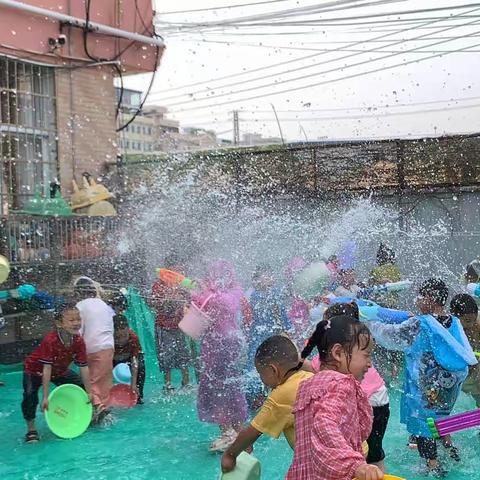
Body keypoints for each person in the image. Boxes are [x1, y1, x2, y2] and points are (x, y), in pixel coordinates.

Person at [365, 278, 477, 477]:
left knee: (423, 423)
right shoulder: (454, 322)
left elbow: (392, 337)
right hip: (447, 387)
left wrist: (370, 323)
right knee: (439, 417)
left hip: (426, 387)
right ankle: (451, 449)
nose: (417, 300)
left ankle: (433, 466)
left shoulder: (421, 323)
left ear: (431, 298)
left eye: (420, 296)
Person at [286, 315, 382, 480]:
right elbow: (324, 424)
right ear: (338, 353)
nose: (370, 364)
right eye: (366, 355)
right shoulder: (341, 384)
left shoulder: (307, 386)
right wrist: (355, 465)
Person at [305, 302, 390, 473]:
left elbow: (318, 371)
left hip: (368, 402)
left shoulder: (337, 364)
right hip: (381, 398)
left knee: (358, 452)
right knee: (374, 451)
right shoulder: (358, 346)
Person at [221, 335, 312, 473]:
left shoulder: (281, 395)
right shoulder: (310, 377)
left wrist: (231, 455)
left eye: (261, 373)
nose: (261, 379)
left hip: (315, 465)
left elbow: (252, 432)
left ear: (273, 370)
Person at [193, 260, 247, 452]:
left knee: (223, 387)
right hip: (223, 347)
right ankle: (233, 431)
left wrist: (201, 291)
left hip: (222, 348)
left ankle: (231, 432)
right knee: (225, 387)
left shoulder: (223, 295)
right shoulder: (228, 293)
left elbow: (218, 304)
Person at [22, 301, 92, 443]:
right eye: (71, 320)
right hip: (34, 370)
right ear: (59, 323)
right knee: (30, 395)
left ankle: (88, 414)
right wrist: (46, 397)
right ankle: (31, 429)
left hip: (59, 370)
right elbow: (46, 368)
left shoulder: (78, 341)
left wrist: (89, 392)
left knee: (81, 386)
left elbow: (84, 367)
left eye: (78, 319)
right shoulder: (51, 340)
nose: (76, 323)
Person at [243, 264, 291, 408]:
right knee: (261, 365)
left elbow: (280, 314)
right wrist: (286, 330)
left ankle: (259, 398)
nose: (271, 278)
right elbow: (279, 315)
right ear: (257, 280)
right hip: (261, 336)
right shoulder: (258, 295)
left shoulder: (258, 294)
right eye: (267, 275)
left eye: (271, 275)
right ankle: (259, 398)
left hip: (264, 335)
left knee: (259, 366)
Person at [74, 277, 115, 419]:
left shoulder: (80, 306)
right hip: (108, 345)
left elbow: (78, 330)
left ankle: (97, 407)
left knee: (90, 379)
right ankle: (103, 406)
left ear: (78, 293)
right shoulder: (104, 305)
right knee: (104, 378)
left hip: (91, 346)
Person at [151, 255, 192, 392]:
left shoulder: (182, 284)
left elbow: (190, 301)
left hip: (180, 325)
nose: (180, 269)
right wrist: (169, 298)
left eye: (181, 267)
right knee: (166, 355)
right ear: (169, 269)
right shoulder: (159, 284)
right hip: (164, 326)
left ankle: (186, 382)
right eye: (177, 266)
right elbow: (154, 303)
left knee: (183, 353)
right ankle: (168, 384)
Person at [450, 294, 480, 408]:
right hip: (460, 373)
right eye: (467, 321)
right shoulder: (447, 328)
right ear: (454, 316)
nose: (471, 324)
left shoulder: (478, 323)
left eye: (473, 320)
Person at [113, 313, 145, 405]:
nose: (121, 340)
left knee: (140, 365)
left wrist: (133, 384)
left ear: (128, 329)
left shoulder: (133, 338)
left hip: (128, 357)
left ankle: (138, 396)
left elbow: (134, 362)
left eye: (124, 336)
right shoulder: (108, 339)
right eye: (117, 337)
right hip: (112, 359)